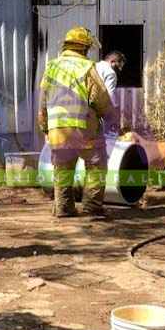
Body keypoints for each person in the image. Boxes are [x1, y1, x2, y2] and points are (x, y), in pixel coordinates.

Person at [38, 27, 112, 218]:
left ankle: (63, 208)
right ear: (85, 48)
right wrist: (111, 117)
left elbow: (43, 102)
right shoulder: (87, 67)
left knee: (62, 168)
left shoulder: (51, 67)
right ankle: (92, 207)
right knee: (96, 165)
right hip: (84, 128)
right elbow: (100, 98)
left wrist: (45, 127)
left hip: (58, 130)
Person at [96, 50, 126, 135]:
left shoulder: (94, 66)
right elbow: (109, 96)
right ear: (112, 61)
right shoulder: (110, 73)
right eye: (118, 66)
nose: (119, 70)